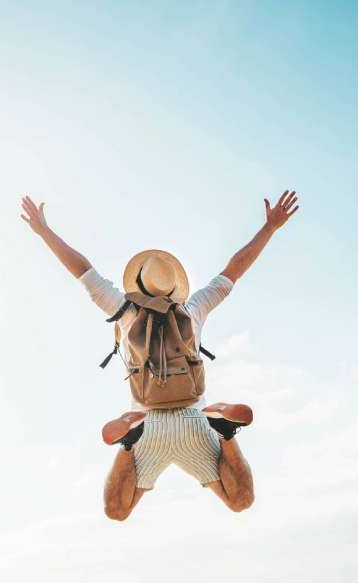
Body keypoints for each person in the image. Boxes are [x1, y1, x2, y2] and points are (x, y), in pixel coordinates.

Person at [20, 189, 299, 520]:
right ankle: (226, 432)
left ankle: (127, 440)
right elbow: (233, 271)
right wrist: (269, 228)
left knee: (117, 510)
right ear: (174, 286)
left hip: (147, 423)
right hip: (195, 420)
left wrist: (44, 231)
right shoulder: (193, 309)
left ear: (138, 282)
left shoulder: (124, 310)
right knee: (240, 500)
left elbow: (83, 271)